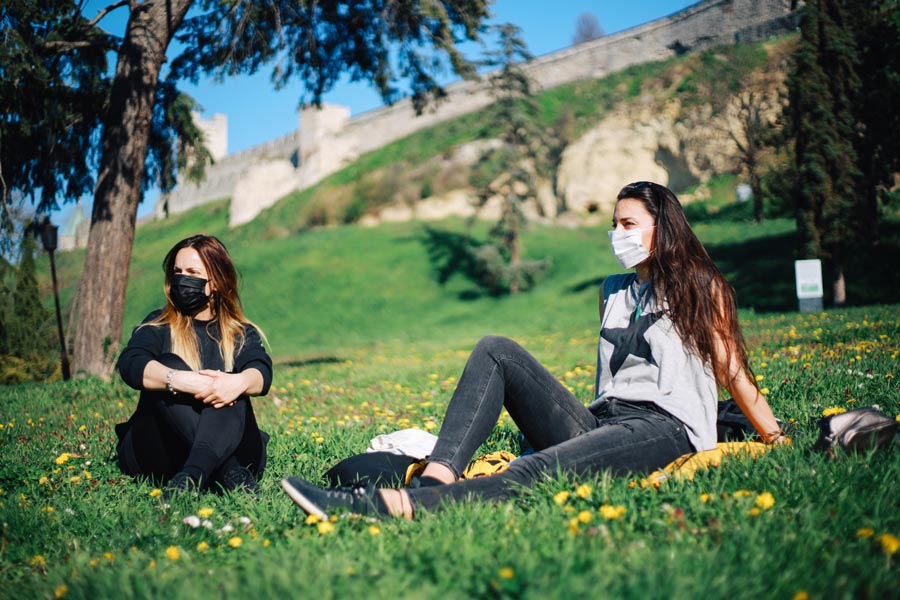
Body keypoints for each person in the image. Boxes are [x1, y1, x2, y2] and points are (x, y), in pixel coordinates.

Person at [282, 181, 787, 520]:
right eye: (614, 224)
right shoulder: (611, 289)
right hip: (605, 421)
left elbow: (733, 372)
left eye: (629, 224)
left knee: (539, 470)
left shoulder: (702, 286)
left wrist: (776, 438)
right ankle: (435, 476)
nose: (617, 235)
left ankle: (395, 507)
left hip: (664, 429)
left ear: (664, 227)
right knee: (495, 349)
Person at [115, 234, 273, 497]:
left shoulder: (239, 333)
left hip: (230, 442)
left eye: (192, 272)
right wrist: (179, 380)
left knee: (232, 385)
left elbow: (261, 371)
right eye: (177, 272)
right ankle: (227, 472)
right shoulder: (159, 324)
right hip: (163, 450)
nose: (181, 279)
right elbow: (131, 363)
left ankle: (192, 475)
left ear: (217, 281)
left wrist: (236, 383)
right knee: (168, 364)